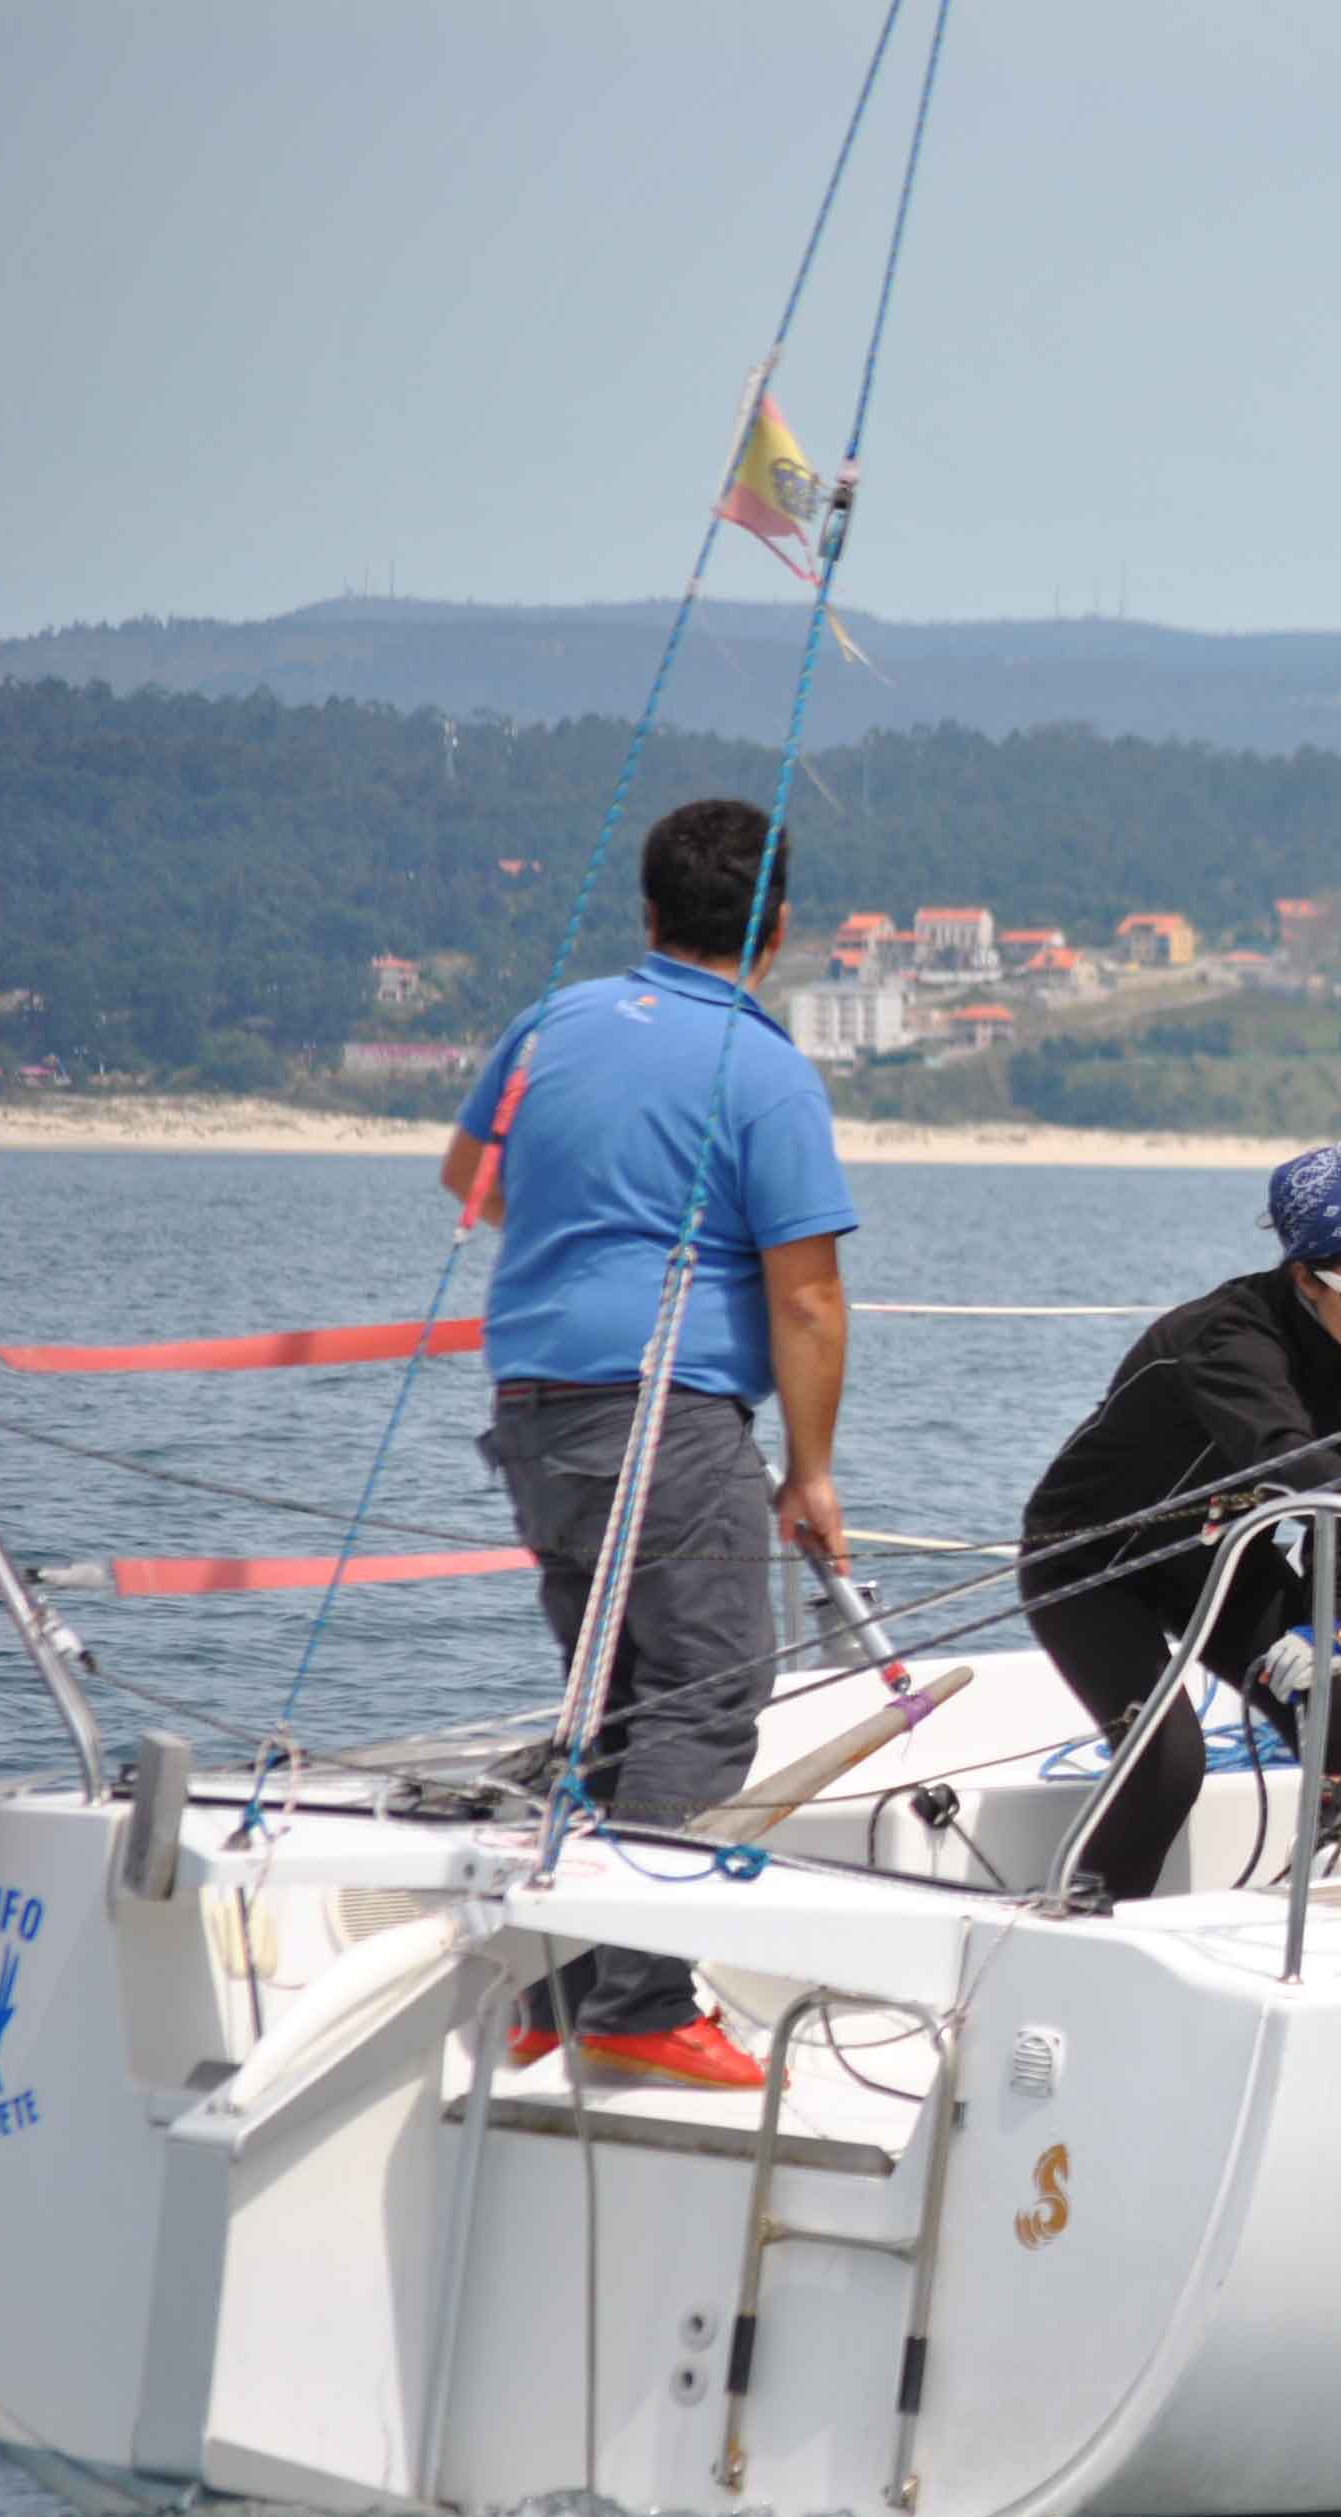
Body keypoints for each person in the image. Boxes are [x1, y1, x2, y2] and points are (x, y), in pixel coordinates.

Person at [446, 797, 857, 2090]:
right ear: (777, 929)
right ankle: (638, 1998)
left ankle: (562, 1992)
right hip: (662, 1413)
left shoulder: (551, 1022)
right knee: (706, 1694)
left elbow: (471, 1180)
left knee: (618, 1701)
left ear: (648, 912)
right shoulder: (766, 1071)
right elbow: (806, 1296)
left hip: (534, 1410)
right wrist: (811, 1472)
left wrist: (585, 1234)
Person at [1016, 1144, 1341, 1902]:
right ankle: (1080, 1923)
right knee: (1168, 1764)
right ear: (1305, 1276)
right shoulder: (1227, 1338)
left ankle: (1330, 1918)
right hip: (1089, 1563)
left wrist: (1332, 1623)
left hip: (1215, 1558)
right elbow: (1284, 1456)